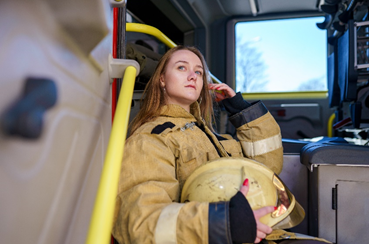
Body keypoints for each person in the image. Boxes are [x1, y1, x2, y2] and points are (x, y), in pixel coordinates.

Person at [112, 45, 284, 244]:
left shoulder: (208, 135)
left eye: (199, 72)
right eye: (182, 68)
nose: (193, 76)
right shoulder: (150, 139)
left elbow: (267, 170)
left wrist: (241, 110)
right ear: (162, 79)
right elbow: (140, 222)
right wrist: (224, 224)